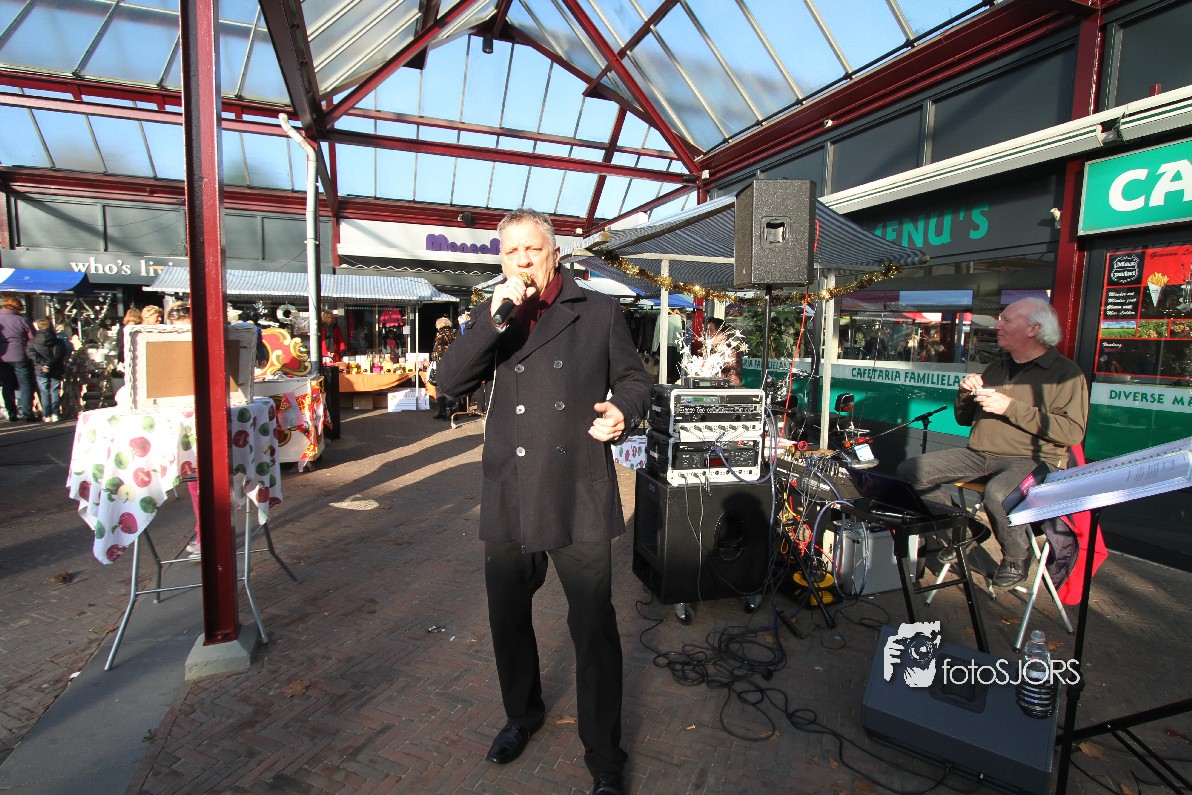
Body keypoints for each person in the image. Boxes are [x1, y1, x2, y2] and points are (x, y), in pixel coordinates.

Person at [435, 208, 651, 795]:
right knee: (508, 619)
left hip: (577, 489)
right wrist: (491, 319)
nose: (523, 261)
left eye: (532, 249)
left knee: (593, 626)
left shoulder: (598, 310)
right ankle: (521, 716)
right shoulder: (493, 314)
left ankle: (604, 755)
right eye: (511, 252)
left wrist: (623, 410)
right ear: (501, 259)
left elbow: (635, 380)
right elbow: (449, 383)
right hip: (510, 489)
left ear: (554, 253)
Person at [896, 298, 1089, 588]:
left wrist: (1010, 407)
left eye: (1007, 320)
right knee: (911, 470)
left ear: (1034, 329)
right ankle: (963, 531)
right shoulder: (997, 367)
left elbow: (1072, 432)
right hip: (980, 454)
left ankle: (1016, 557)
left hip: (1032, 459)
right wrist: (965, 393)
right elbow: (964, 419)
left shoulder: (1065, 373)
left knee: (997, 494)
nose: (998, 326)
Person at [0, 295, 36, 422]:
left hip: (2, 357)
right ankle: (27, 414)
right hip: (20, 355)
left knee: (7, 385)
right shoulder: (22, 320)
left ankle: (11, 413)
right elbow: (33, 338)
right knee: (25, 385)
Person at [28, 318, 70, 422]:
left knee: (44, 392)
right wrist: (49, 365)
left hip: (40, 369)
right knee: (55, 391)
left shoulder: (32, 342)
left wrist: (43, 364)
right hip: (56, 368)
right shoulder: (58, 341)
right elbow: (59, 355)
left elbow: (32, 355)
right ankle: (55, 413)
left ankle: (47, 415)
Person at [429, 316, 458, 420]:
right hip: (451, 363)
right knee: (447, 387)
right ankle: (451, 412)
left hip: (442, 364)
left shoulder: (441, 334)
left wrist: (433, 357)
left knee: (440, 387)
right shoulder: (454, 333)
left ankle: (445, 412)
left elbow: (439, 350)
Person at [704, 317, 743, 386]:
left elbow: (734, 379)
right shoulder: (707, 351)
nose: (708, 334)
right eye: (707, 331)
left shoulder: (730, 352)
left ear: (723, 334)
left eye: (711, 331)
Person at [652, 307, 684, 383]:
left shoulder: (677, 317)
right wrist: (654, 347)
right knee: (668, 364)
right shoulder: (661, 318)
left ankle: (671, 379)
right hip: (670, 345)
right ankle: (668, 379)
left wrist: (654, 348)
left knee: (671, 364)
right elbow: (657, 332)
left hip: (672, 346)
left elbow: (657, 332)